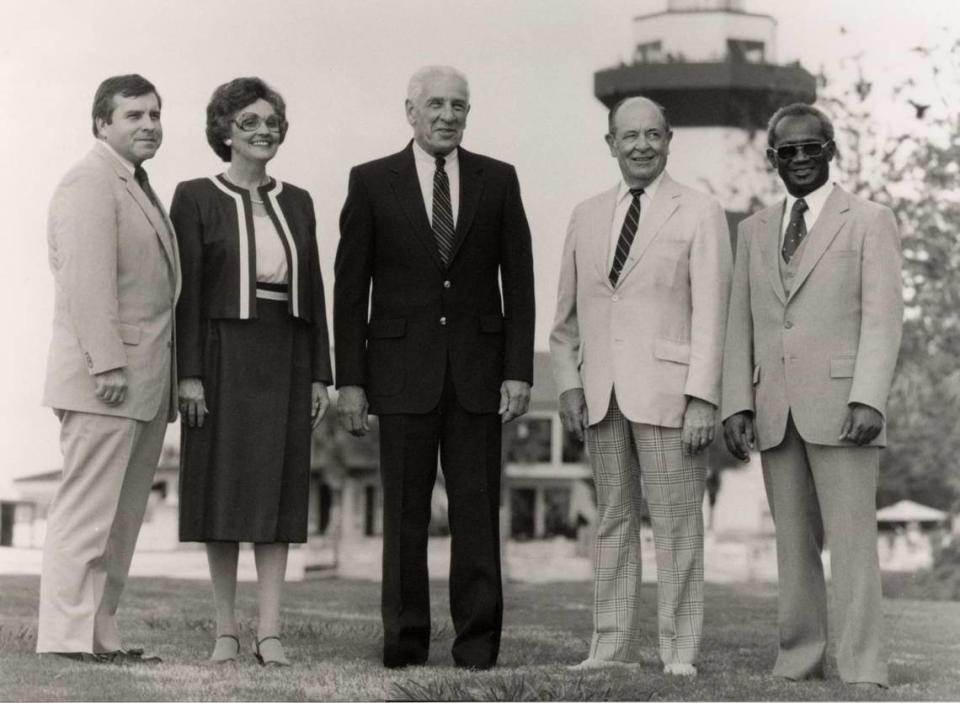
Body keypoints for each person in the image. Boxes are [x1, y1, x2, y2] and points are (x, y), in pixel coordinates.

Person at [334, 65, 535, 670]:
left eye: (459, 105)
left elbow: (519, 284)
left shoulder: (498, 180)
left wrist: (517, 370)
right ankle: (404, 645)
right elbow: (350, 290)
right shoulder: (371, 182)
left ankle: (476, 648)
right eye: (437, 105)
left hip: (478, 376)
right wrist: (352, 381)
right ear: (411, 112)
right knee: (404, 519)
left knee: (476, 514)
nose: (449, 115)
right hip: (398, 375)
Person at [721, 103, 902, 688]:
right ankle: (799, 660)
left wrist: (869, 397)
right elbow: (739, 324)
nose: (800, 159)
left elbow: (883, 318)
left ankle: (860, 666)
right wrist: (736, 404)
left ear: (831, 149)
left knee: (852, 544)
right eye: (786, 151)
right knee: (793, 545)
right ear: (772, 159)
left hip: (846, 406)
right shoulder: (751, 231)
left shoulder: (870, 220)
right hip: (775, 408)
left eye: (811, 147)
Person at [550, 96, 732, 675]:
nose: (641, 146)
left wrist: (703, 397)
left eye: (652, 135)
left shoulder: (701, 211)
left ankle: (679, 652)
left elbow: (714, 314)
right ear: (610, 143)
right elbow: (565, 320)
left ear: (669, 139)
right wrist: (569, 387)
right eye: (628, 136)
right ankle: (607, 648)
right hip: (601, 397)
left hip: (670, 395)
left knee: (677, 524)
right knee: (612, 523)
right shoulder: (585, 214)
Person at [171, 77, 333, 667]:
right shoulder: (194, 196)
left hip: (284, 351)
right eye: (250, 122)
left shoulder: (300, 200)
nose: (264, 131)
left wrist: (321, 373)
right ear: (224, 131)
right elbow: (184, 293)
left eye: (273, 123)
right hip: (219, 354)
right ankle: (225, 631)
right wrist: (188, 373)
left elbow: (313, 287)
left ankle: (271, 633)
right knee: (222, 488)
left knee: (277, 491)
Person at [39, 74, 179, 664]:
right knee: (86, 516)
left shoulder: (137, 186)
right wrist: (107, 365)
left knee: (120, 523)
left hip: (144, 384)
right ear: (101, 123)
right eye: (132, 116)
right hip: (108, 382)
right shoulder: (89, 181)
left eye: (154, 114)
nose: (148, 124)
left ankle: (100, 634)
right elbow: (86, 282)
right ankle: (65, 640)